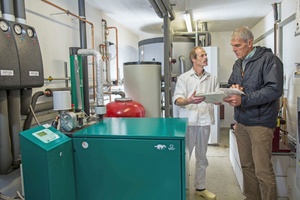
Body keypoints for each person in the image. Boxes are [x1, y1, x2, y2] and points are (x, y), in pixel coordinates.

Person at [223, 27, 283, 200]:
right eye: (232, 45)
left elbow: (274, 89)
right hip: (241, 121)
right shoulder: (238, 64)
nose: (234, 49)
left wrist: (245, 99)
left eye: (237, 45)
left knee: (262, 170)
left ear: (250, 43)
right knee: (247, 166)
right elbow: (230, 84)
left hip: (261, 123)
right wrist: (232, 90)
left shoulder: (269, 60)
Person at [173, 46, 219, 200]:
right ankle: (181, 188)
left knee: (202, 158)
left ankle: (200, 188)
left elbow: (217, 97)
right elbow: (177, 100)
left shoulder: (212, 78)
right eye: (202, 55)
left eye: (206, 55)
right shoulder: (184, 78)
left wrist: (220, 100)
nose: (206, 57)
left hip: (205, 121)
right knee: (185, 157)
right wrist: (189, 100)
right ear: (193, 59)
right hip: (189, 122)